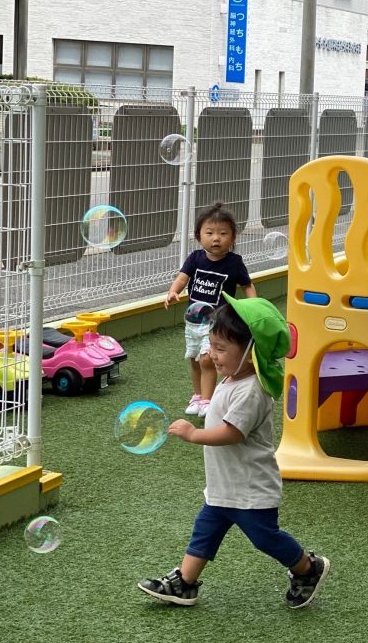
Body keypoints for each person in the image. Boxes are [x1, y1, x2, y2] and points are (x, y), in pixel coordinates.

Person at [138, 296, 330, 607]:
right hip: (223, 486)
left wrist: (194, 433)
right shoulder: (231, 379)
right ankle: (185, 583)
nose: (212, 354)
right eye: (211, 345)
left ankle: (308, 568)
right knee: (204, 533)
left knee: (264, 538)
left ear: (252, 352)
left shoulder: (252, 390)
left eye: (221, 348)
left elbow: (232, 433)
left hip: (250, 488)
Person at [166, 202, 256, 418]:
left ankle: (208, 400)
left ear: (233, 238)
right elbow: (182, 278)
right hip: (194, 321)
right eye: (210, 232)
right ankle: (197, 396)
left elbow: (247, 285)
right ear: (199, 236)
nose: (216, 238)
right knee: (195, 359)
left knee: (207, 359)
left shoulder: (234, 263)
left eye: (223, 233)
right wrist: (173, 291)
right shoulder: (195, 258)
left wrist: (254, 306)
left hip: (218, 324)